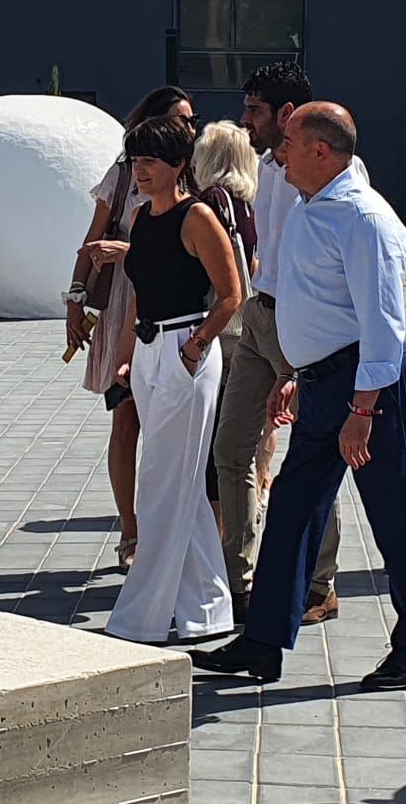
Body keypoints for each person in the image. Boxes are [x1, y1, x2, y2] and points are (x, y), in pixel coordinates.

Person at [192, 103, 406, 691]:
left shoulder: (362, 218)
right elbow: (320, 305)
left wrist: (362, 411)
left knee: (393, 516)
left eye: (289, 144)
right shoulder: (309, 206)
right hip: (324, 382)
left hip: (367, 387)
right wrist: (298, 373)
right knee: (292, 510)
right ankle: (263, 642)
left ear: (320, 151)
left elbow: (384, 325)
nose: (277, 154)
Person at [215, 62, 355, 626]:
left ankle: (319, 583)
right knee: (231, 450)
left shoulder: (329, 173)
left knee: (312, 455)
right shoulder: (267, 168)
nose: (245, 120)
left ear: (287, 114)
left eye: (255, 110)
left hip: (304, 327)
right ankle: (240, 583)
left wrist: (299, 360)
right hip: (259, 314)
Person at [104, 116, 244, 642]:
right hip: (148, 351)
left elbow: (231, 294)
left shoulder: (198, 216)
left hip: (187, 350)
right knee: (176, 480)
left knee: (162, 481)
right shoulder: (141, 217)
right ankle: (207, 609)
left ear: (178, 165)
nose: (140, 171)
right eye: (135, 161)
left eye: (150, 162)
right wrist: (126, 356)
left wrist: (195, 345)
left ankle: (140, 615)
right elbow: (140, 292)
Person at [64, 85, 196, 573]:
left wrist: (132, 251)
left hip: (174, 308)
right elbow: (93, 237)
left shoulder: (195, 175)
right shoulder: (122, 175)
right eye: (181, 120)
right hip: (125, 304)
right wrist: (75, 297)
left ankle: (174, 531)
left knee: (172, 431)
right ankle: (131, 531)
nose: (190, 128)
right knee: (126, 422)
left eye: (191, 121)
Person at [191, 120, 266, 530]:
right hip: (244, 329)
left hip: (218, 329)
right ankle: (234, 528)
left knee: (214, 443)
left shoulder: (211, 203)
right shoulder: (246, 205)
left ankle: (221, 534)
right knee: (235, 440)